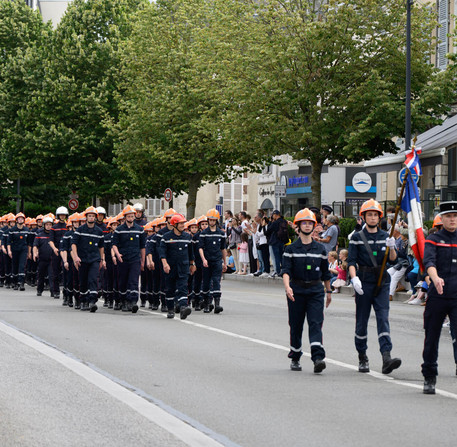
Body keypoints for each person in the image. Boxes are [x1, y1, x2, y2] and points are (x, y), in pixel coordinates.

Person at [348, 199, 401, 375]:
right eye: (369, 215)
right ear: (363, 217)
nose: (372, 218)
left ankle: (386, 356)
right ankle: (362, 356)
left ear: (379, 218)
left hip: (382, 281)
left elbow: (393, 259)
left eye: (375, 215)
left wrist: (392, 247)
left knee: (383, 318)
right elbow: (351, 261)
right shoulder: (357, 237)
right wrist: (354, 279)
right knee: (362, 320)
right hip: (363, 281)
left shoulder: (385, 236)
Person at [282, 208, 332, 373]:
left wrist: (329, 291)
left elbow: (325, 272)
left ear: (314, 226)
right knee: (296, 325)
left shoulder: (320, 249)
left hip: (315, 290)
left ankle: (318, 358)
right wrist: (288, 287)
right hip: (296, 290)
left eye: (310, 223)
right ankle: (295, 356)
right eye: (304, 223)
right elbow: (286, 271)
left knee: (316, 323)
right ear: (298, 226)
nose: (307, 225)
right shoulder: (291, 249)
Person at [421, 201, 457, 394]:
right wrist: (435, 278)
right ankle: (429, 375)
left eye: (455, 216)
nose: (452, 219)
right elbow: (429, 261)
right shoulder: (434, 238)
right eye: (449, 216)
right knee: (432, 336)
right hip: (438, 294)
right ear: (441, 219)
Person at [159, 213, 195, 319]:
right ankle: (170, 309)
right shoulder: (166, 237)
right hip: (170, 268)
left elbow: (190, 253)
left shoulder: (187, 237)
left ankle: (184, 308)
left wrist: (192, 264)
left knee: (183, 287)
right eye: (181, 224)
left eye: (183, 223)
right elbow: (162, 253)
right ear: (174, 225)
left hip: (183, 267)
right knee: (170, 289)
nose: (183, 225)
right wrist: (165, 264)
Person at [112, 205, 146, 313]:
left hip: (135, 258)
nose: (131, 218)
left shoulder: (140, 230)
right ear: (125, 217)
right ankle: (124, 301)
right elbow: (114, 244)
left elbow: (142, 247)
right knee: (123, 281)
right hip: (123, 259)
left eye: (132, 216)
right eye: (129, 216)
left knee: (133, 281)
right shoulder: (119, 230)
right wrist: (117, 254)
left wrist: (143, 261)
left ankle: (133, 301)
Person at [71, 207, 105, 312]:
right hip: (83, 259)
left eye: (93, 216)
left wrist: (102, 259)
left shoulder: (99, 231)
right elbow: (74, 244)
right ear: (86, 217)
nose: (91, 218)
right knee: (83, 281)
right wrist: (76, 257)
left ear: (95, 218)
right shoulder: (80, 230)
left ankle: (92, 302)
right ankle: (84, 301)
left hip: (94, 259)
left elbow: (101, 247)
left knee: (93, 279)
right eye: (89, 216)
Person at [198, 208, 227, 313]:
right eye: (210, 220)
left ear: (216, 221)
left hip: (217, 260)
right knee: (206, 283)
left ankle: (217, 304)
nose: (211, 222)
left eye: (213, 220)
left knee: (216, 281)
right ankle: (206, 303)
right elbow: (200, 247)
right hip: (207, 260)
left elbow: (223, 248)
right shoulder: (204, 233)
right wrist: (203, 259)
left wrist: (225, 262)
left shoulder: (221, 233)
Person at [49, 206, 69, 299]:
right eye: (60, 215)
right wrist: (54, 249)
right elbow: (51, 240)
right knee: (55, 272)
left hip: (65, 251)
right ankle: (55, 291)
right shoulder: (54, 227)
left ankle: (66, 291)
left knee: (66, 273)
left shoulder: (67, 226)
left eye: (63, 215)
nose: (62, 216)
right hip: (56, 251)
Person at [7, 212, 30, 291]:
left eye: (22, 218)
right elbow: (9, 242)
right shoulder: (12, 230)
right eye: (19, 218)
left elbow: (29, 243)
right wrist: (9, 251)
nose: (20, 220)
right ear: (16, 220)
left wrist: (29, 252)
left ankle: (21, 282)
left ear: (24, 220)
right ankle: (15, 282)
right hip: (14, 250)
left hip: (23, 250)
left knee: (22, 266)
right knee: (15, 266)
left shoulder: (26, 230)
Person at [33, 216, 54, 297]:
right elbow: (35, 245)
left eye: (50, 224)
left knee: (52, 276)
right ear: (44, 225)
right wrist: (35, 253)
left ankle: (53, 291)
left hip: (52, 259)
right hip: (42, 259)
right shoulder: (39, 235)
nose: (49, 226)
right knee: (40, 275)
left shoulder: (54, 235)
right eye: (47, 224)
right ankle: (39, 290)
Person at [266, 210, 288, 277]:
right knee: (281, 256)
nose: (273, 216)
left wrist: (270, 221)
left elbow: (268, 230)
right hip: (282, 241)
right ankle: (283, 271)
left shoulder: (275, 222)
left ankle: (278, 271)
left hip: (275, 241)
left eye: (273, 215)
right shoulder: (284, 221)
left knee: (276, 257)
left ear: (276, 215)